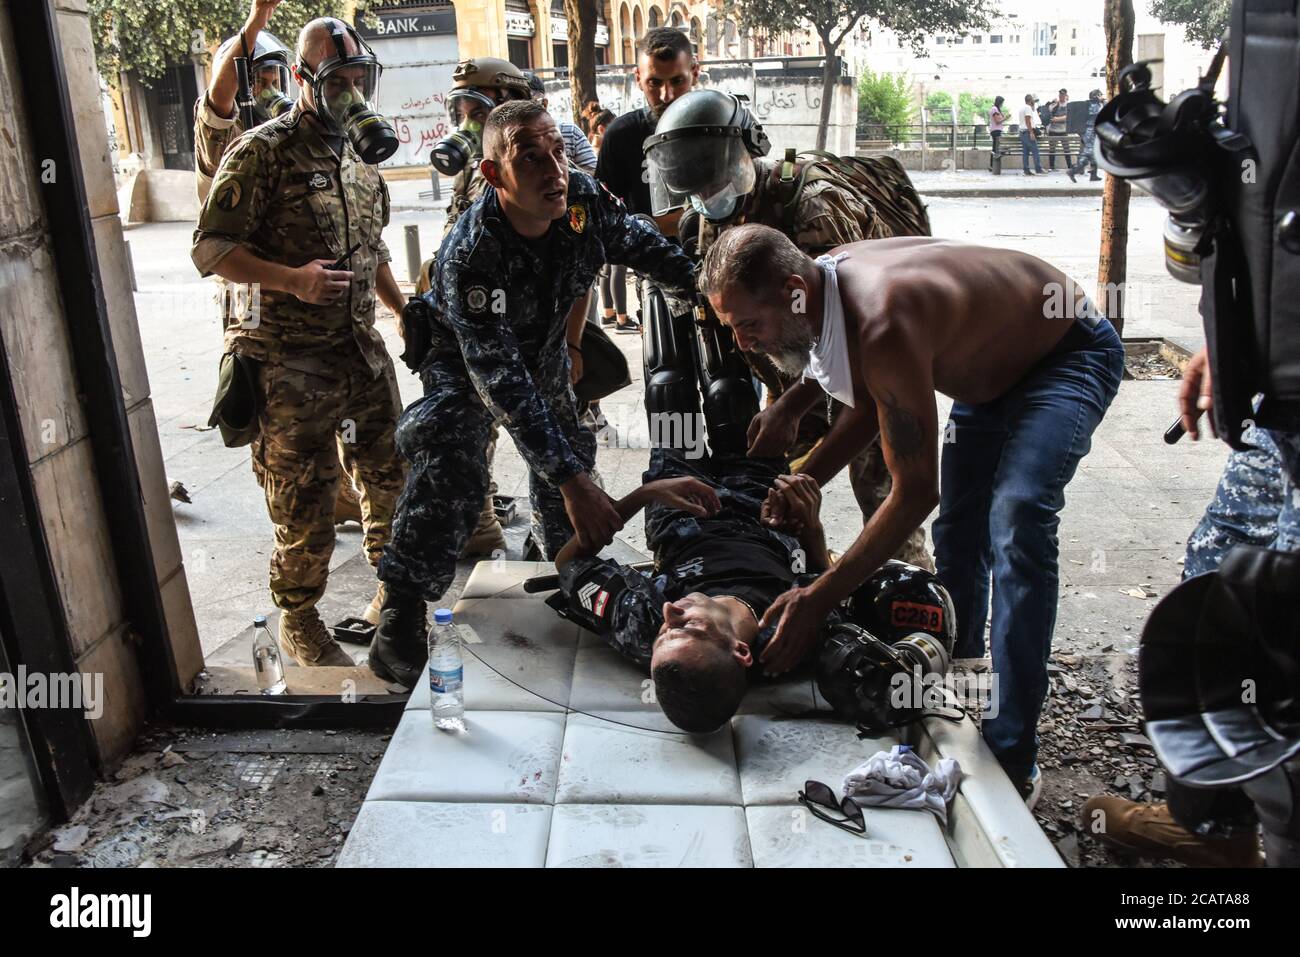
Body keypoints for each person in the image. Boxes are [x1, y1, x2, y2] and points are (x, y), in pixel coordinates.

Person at [699, 225, 1125, 804]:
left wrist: (817, 596)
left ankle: (1012, 753)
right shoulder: (824, 282)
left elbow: (914, 491)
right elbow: (876, 397)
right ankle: (962, 675)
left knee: (1018, 518)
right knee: (959, 530)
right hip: (989, 376)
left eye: (749, 325)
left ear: (794, 290)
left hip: (1066, 353)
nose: (743, 343)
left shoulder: (882, 322)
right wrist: (803, 477)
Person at [370, 100, 700, 688]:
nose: (554, 171)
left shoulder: (579, 199)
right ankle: (398, 613)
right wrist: (572, 480)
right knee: (454, 451)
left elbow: (634, 241)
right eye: (531, 158)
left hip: (541, 348)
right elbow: (496, 377)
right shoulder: (472, 255)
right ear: (494, 174)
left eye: (557, 152)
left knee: (567, 462)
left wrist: (705, 290)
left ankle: (568, 567)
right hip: (465, 359)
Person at [191, 18, 408, 666]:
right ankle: (300, 619)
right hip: (288, 365)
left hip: (359, 353)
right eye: (336, 81)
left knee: (393, 479)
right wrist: (291, 280)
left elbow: (372, 251)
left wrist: (401, 308)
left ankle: (393, 596)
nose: (351, 92)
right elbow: (210, 248)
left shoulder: (361, 158)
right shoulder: (262, 151)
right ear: (304, 81)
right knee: (304, 503)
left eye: (359, 79)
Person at [644, 87, 934, 569]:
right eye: (695, 192)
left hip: (874, 363)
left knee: (881, 488)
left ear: (747, 152)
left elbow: (857, 342)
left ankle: (911, 594)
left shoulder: (816, 211)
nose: (706, 199)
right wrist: (783, 403)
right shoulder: (703, 224)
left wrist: (794, 407)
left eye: (713, 184)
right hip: (797, 368)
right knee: (771, 485)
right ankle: (791, 573)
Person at [192, 1, 369, 532]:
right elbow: (221, 94)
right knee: (284, 445)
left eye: (275, 75)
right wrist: (255, 25)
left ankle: (333, 497)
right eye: (260, 77)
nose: (269, 86)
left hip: (324, 316)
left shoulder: (314, 136)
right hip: (256, 309)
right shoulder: (233, 136)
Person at [417, 57, 534, 559]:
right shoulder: (472, 170)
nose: (466, 119)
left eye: (477, 108)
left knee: (543, 429)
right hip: (468, 322)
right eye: (459, 108)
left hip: (518, 326)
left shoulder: (536, 163)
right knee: (467, 430)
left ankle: (568, 531)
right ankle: (480, 523)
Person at [595, 25, 699, 248]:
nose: (666, 95)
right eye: (655, 82)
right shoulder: (622, 135)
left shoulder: (723, 125)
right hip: (651, 260)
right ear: (638, 78)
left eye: (677, 81)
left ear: (695, 73)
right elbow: (604, 215)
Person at [523, 71, 597, 174]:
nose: (524, 113)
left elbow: (594, 174)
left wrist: (565, 166)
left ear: (544, 104)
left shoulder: (570, 133)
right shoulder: (507, 140)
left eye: (529, 105)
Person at [1066, 89, 1103, 183]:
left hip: (1091, 132)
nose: (1101, 96)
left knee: (1091, 153)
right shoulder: (1094, 105)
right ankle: (1073, 171)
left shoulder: (1094, 104)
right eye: (1100, 95)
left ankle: (1093, 175)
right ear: (1096, 96)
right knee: (1090, 153)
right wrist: (1104, 101)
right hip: (1089, 132)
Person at [1046, 88, 1073, 171]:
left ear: (1066, 95)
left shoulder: (1068, 105)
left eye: (1063, 94)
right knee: (1052, 149)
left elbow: (1069, 117)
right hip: (1053, 131)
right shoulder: (1054, 105)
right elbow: (1048, 114)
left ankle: (1070, 166)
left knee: (1066, 149)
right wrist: (1050, 104)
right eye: (1060, 94)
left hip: (1063, 131)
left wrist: (1057, 119)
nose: (1061, 96)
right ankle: (1051, 167)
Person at [1018, 93, 1044, 176]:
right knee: (1035, 150)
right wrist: (1031, 132)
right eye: (1033, 100)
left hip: (1022, 132)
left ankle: (1026, 169)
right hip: (1027, 132)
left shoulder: (1022, 108)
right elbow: (1027, 120)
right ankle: (1038, 169)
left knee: (1025, 152)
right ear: (1030, 100)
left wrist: (1034, 104)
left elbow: (1031, 112)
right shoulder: (1028, 108)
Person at [988, 95, 1006, 170]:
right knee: (995, 148)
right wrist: (1005, 118)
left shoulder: (996, 109)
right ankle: (993, 165)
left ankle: (993, 165)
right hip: (996, 130)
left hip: (996, 130)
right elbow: (997, 121)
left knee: (995, 148)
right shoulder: (994, 109)